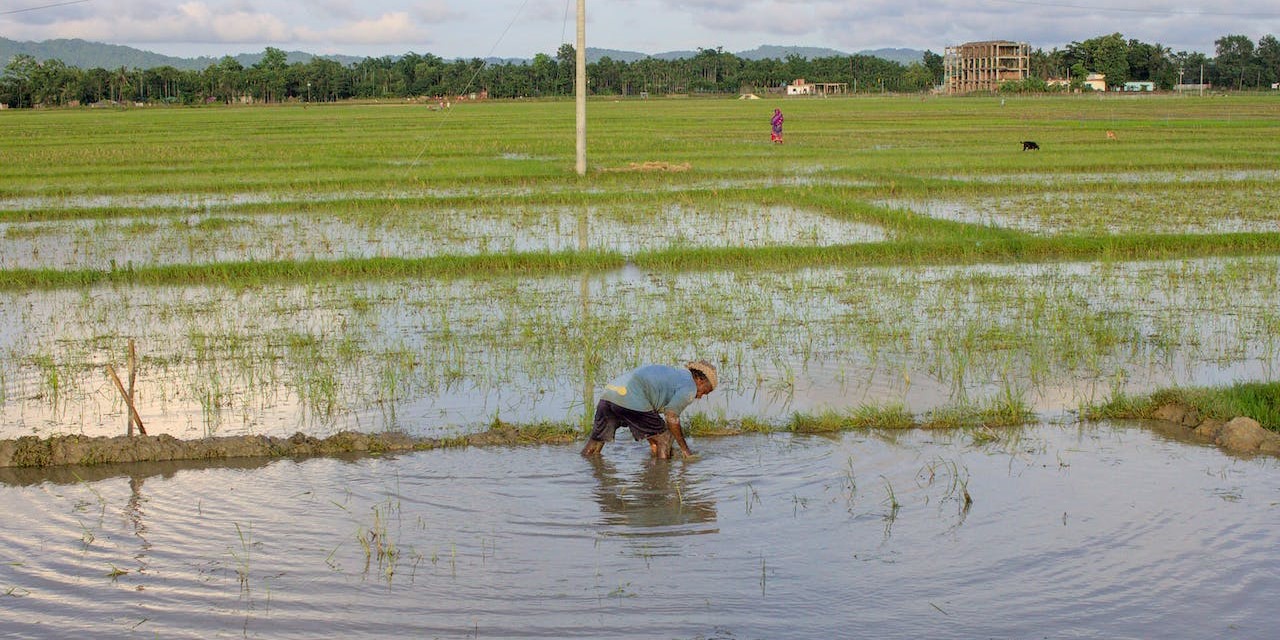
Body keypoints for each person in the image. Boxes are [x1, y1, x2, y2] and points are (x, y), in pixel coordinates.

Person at [580, 360, 717, 459]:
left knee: (595, 442)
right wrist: (685, 451)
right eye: (704, 392)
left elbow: (648, 419)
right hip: (631, 396)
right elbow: (671, 416)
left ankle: (583, 474)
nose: (700, 396)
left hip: (609, 394)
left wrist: (654, 444)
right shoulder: (690, 387)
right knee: (665, 437)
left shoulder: (677, 375)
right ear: (699, 380)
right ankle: (660, 479)